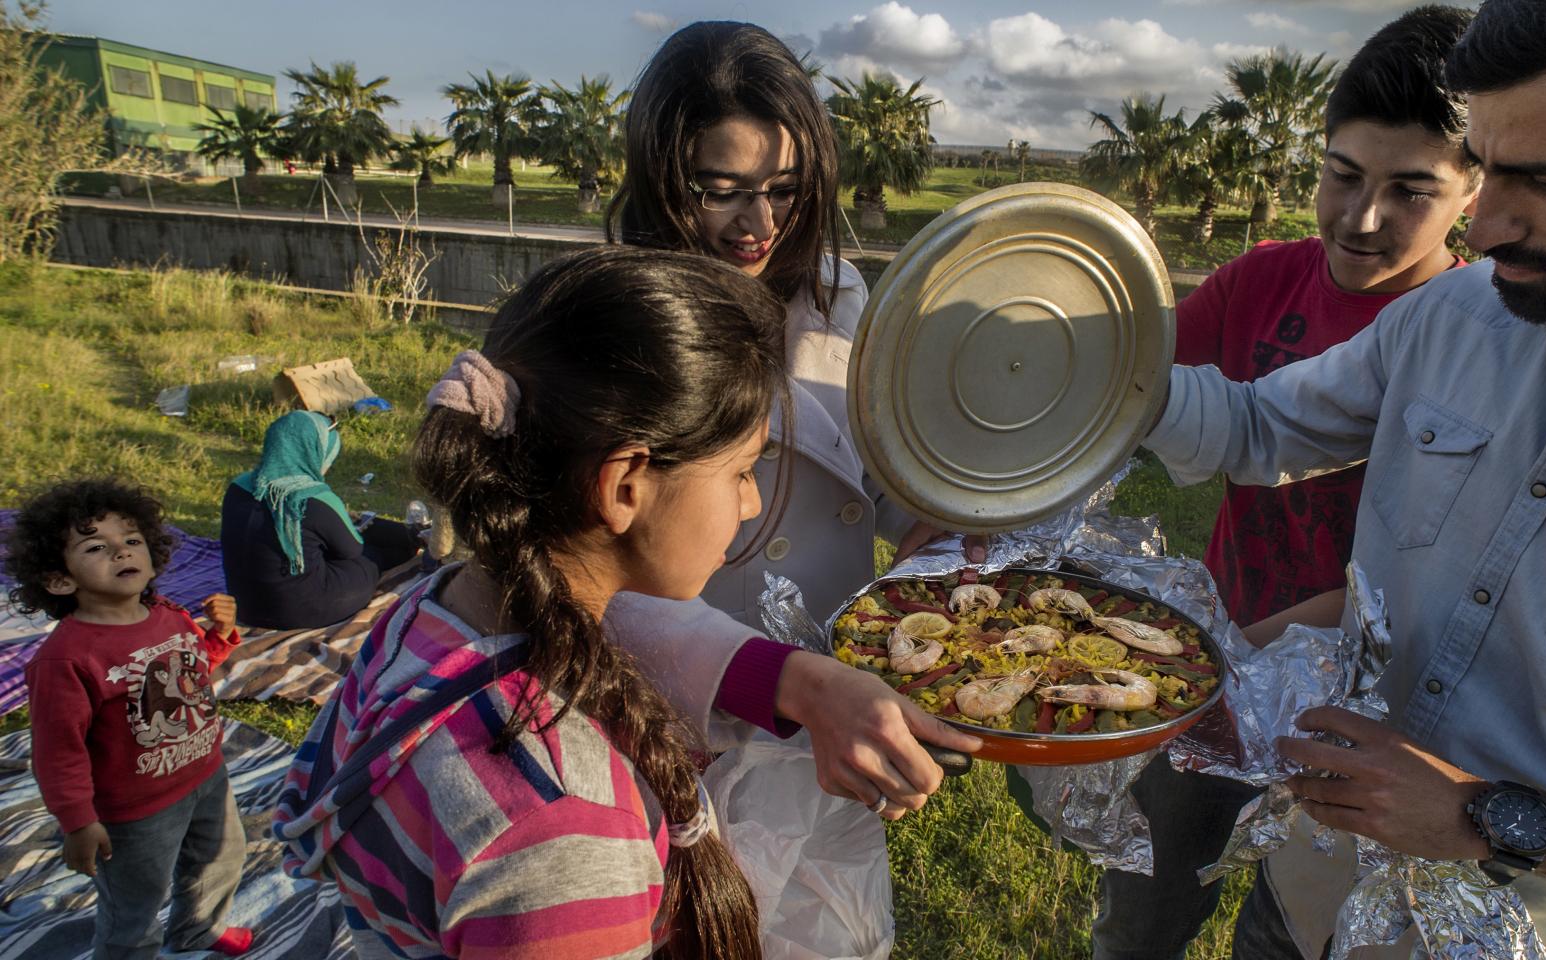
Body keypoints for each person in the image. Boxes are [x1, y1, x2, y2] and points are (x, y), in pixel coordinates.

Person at [1140, 0, 1546, 955]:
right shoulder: (1460, 311)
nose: (1481, 228)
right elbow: (1259, 420)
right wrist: (1066, 376)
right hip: (1314, 883)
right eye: (1487, 172)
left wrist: (1487, 817)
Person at [274, 246, 901, 959]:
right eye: (741, 471)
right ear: (625, 485)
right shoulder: (561, 828)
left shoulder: (433, 608)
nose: (753, 503)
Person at [1094, 9, 1483, 959]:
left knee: (1302, 918)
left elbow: (1442, 580)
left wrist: (1248, 650)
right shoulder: (1262, 279)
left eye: (1411, 191)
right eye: (1342, 175)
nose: (1361, 218)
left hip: (1363, 706)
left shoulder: (1480, 343)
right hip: (1219, 654)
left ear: (1475, 190)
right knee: (1148, 894)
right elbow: (1145, 394)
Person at [602, 20, 977, 818]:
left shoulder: (837, 294)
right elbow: (579, 577)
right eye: (723, 188)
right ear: (661, 175)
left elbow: (864, 464)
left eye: (785, 190)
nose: (761, 224)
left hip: (832, 710)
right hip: (682, 709)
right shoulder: (613, 322)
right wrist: (783, 684)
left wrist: (933, 529)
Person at [8, 479, 252, 959]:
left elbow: (188, 670)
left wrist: (219, 637)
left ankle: (197, 930)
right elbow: (58, 750)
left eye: (132, 540)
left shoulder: (168, 613)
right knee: (134, 906)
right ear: (59, 579)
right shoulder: (66, 659)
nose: (121, 552)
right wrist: (77, 821)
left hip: (207, 775)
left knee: (221, 860)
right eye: (97, 546)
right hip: (135, 812)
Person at [220, 409, 420, 629]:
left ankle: (414, 537)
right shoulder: (313, 498)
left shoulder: (238, 486)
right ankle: (415, 540)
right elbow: (351, 551)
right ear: (315, 451)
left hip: (246, 607)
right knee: (371, 557)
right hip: (303, 611)